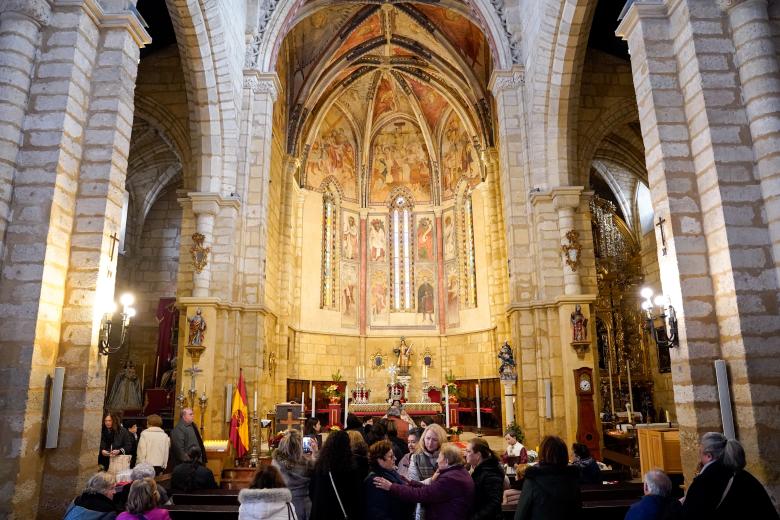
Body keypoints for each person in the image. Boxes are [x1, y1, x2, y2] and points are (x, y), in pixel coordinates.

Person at [681, 432, 779, 520]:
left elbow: (690, 516)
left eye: (700, 453)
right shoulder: (745, 476)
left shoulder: (705, 481)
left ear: (708, 456)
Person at [374, 443, 475, 520]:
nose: (437, 461)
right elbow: (431, 490)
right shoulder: (458, 472)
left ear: (447, 461)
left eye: (439, 457)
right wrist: (411, 482)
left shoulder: (451, 479)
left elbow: (422, 495)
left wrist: (391, 487)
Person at [514, 436, 581, 520]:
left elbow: (520, 515)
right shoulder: (572, 478)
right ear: (564, 454)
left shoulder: (533, 479)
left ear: (542, 454)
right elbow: (577, 509)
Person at [309, 430, 363, 520]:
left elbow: (312, 491)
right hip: (341, 513)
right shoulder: (351, 468)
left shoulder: (321, 466)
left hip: (321, 513)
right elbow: (356, 497)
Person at [364, 440, 416, 520]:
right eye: (391, 457)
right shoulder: (375, 481)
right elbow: (378, 514)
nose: (395, 458)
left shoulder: (390, 472)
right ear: (380, 460)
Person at [272, 430, 314, 520]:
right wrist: (313, 455)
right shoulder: (308, 465)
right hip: (304, 506)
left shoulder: (276, 464)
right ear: (300, 446)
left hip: (282, 508)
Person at [466, 438, 505, 520]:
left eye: (468, 451)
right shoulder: (481, 470)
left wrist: (475, 517)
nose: (466, 454)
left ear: (478, 455)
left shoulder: (491, 472)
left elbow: (494, 503)